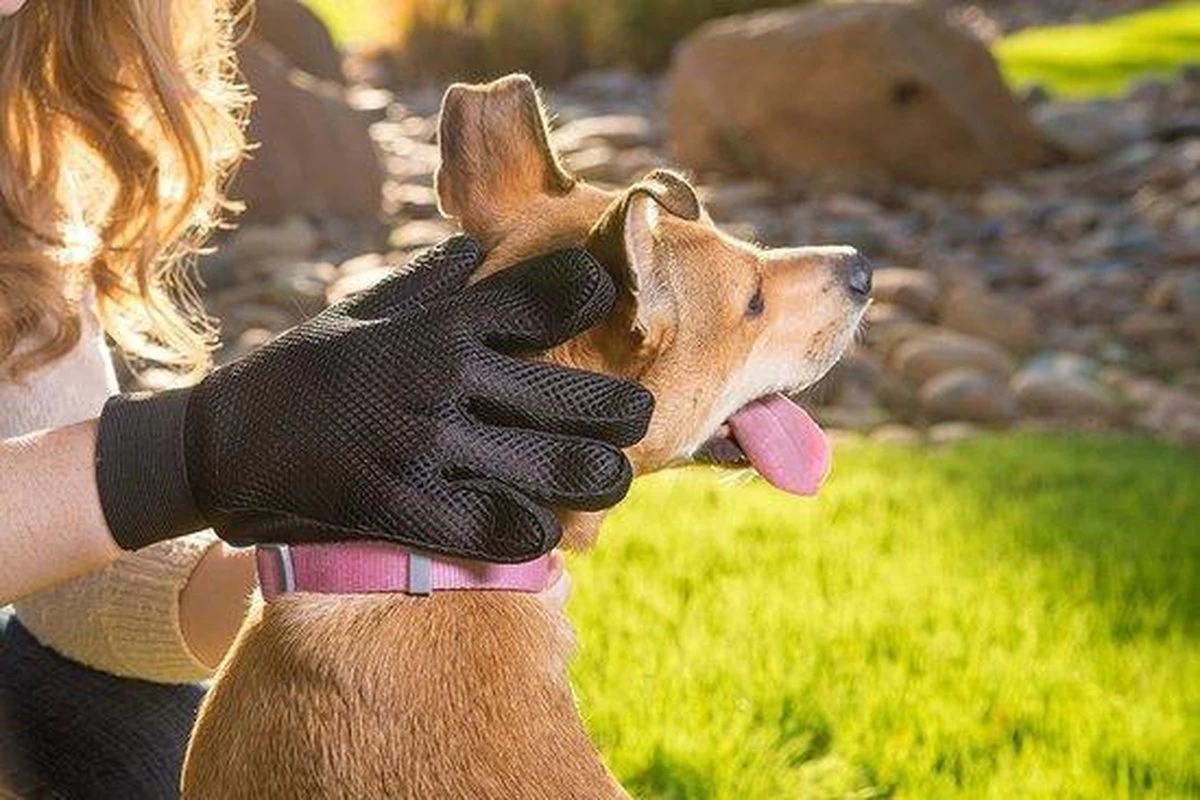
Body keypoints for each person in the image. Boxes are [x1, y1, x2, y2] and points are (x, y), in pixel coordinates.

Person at [0, 0, 652, 795]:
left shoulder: (19, 159)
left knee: (120, 720)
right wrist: (194, 452)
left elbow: (66, 576)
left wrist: (346, 562)